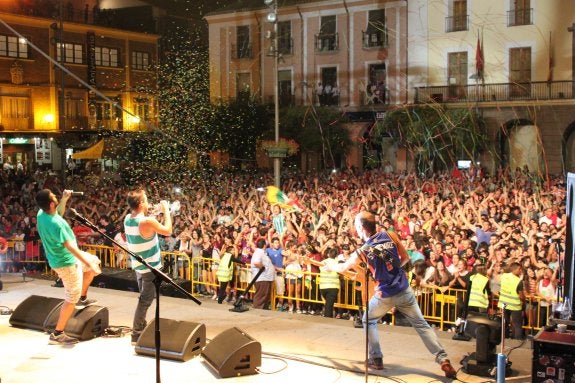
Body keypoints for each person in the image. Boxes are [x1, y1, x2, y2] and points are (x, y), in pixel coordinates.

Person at [325, 211, 457, 379]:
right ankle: (443, 359)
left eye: (357, 227)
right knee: (422, 325)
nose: (356, 230)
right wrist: (392, 272)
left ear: (363, 227)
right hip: (403, 289)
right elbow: (404, 258)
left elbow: (343, 268)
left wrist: (331, 265)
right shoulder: (391, 235)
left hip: (384, 294)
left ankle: (376, 358)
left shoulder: (364, 250)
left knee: (368, 319)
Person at [35, 189, 101, 345]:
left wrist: (64, 199)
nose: (55, 196)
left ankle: (83, 298)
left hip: (63, 258)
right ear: (51, 203)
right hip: (66, 262)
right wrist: (86, 261)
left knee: (95, 263)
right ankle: (58, 334)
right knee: (71, 297)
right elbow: (70, 246)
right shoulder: (57, 224)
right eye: (54, 196)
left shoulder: (42, 214)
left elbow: (57, 212)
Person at [123, 189, 172, 344]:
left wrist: (153, 212)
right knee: (145, 300)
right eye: (146, 199)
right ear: (141, 203)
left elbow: (145, 224)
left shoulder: (127, 218)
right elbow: (168, 231)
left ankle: (141, 327)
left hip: (139, 266)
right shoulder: (146, 222)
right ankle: (136, 333)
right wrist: (166, 212)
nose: (149, 202)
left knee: (144, 297)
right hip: (151, 268)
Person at [251, 238, 275, 309]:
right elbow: (256, 263)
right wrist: (263, 267)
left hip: (266, 278)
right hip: (262, 278)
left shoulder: (262, 252)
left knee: (265, 296)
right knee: (261, 296)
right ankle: (258, 310)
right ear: (264, 245)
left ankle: (264, 310)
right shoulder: (258, 252)